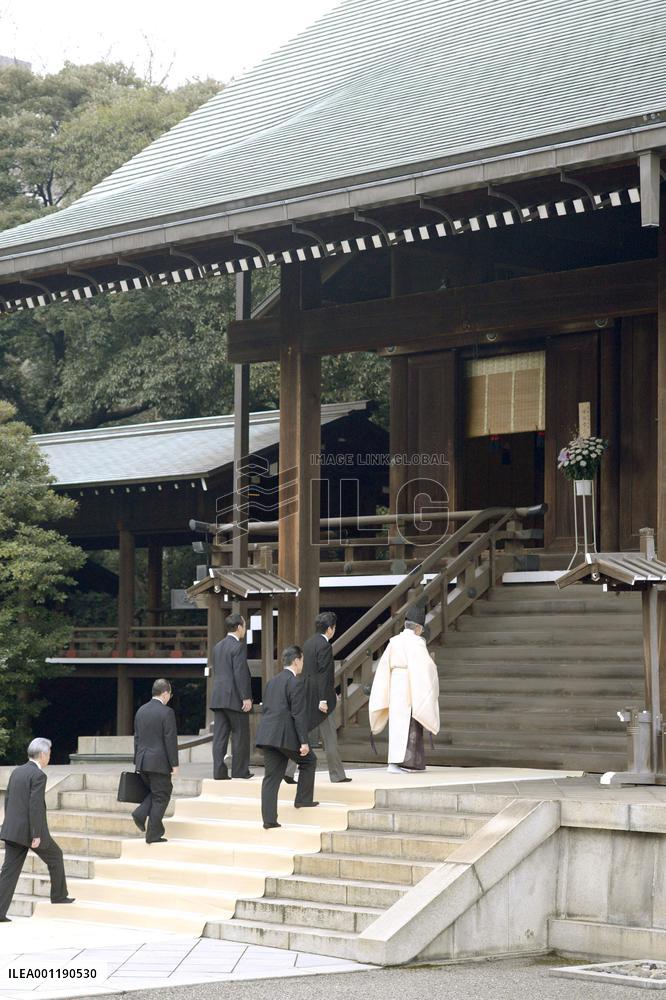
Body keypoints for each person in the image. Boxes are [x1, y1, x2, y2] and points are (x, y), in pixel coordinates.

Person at [0, 738, 74, 921]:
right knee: (55, 855)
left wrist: (7, 825)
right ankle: (58, 896)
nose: (49, 757)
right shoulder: (39, 775)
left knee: (8, 873)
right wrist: (36, 834)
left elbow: (8, 800)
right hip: (29, 832)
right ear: (42, 755)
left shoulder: (17, 771)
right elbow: (36, 807)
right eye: (48, 754)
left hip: (12, 831)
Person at [368, 604, 440, 772]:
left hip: (395, 685)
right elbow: (427, 668)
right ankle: (402, 763)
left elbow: (383, 668)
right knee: (410, 724)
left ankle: (396, 762)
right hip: (410, 685)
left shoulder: (394, 641)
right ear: (418, 628)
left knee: (397, 724)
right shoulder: (417, 643)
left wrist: (382, 693)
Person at [284, 611, 350, 785]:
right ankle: (337, 775)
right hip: (320, 699)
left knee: (301, 733)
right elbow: (324, 674)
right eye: (334, 627)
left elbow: (307, 672)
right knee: (330, 738)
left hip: (306, 693)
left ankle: (288, 771)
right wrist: (323, 699)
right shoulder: (325, 646)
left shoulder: (308, 643)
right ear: (330, 629)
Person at [256, 645, 318, 828]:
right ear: (296, 660)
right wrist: (304, 742)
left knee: (271, 778)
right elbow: (298, 715)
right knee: (309, 761)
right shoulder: (295, 682)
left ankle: (269, 820)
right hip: (285, 736)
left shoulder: (272, 682)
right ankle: (303, 799)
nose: (302, 665)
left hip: (268, 735)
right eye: (302, 661)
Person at [132, 678, 179, 844]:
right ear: (165, 693)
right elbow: (170, 740)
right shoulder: (167, 712)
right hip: (159, 762)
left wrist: (137, 759)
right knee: (162, 795)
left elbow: (137, 738)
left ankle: (140, 814)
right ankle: (153, 833)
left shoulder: (141, 711)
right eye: (170, 694)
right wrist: (174, 764)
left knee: (158, 792)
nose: (169, 698)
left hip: (143, 761)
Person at [211, 613, 254, 780]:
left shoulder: (218, 646)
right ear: (239, 628)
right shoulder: (238, 646)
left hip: (218, 697)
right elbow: (240, 673)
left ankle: (219, 772)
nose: (245, 628)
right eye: (244, 625)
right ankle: (240, 771)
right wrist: (246, 697)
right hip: (235, 697)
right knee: (240, 734)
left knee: (220, 737)